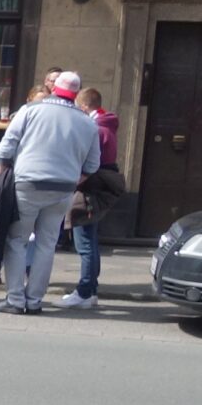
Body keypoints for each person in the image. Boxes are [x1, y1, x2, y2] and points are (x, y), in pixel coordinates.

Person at [0, 71, 102, 316]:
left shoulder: (30, 110)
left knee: (18, 241)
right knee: (46, 244)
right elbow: (93, 165)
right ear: (76, 93)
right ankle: (34, 301)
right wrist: (75, 180)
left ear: (53, 88)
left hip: (27, 183)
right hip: (62, 189)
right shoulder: (87, 122)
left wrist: (3, 176)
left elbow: (6, 146)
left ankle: (15, 299)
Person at [58, 86, 123, 309]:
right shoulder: (106, 125)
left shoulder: (95, 128)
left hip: (90, 188)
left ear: (84, 106)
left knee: (84, 242)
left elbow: (90, 161)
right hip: (100, 186)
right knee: (90, 241)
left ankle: (84, 291)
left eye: (78, 107)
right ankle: (90, 291)